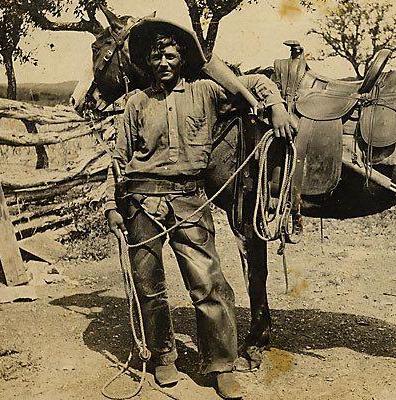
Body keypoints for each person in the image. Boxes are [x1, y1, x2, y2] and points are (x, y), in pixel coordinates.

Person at [104, 25, 296, 399]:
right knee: (149, 285)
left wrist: (275, 107)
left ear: (183, 60)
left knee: (209, 283)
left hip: (190, 200)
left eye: (171, 56)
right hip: (142, 202)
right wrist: (112, 206)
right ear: (147, 62)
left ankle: (221, 365)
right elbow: (117, 157)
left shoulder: (206, 92)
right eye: (157, 57)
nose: (164, 63)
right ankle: (163, 358)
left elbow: (256, 83)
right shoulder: (137, 103)